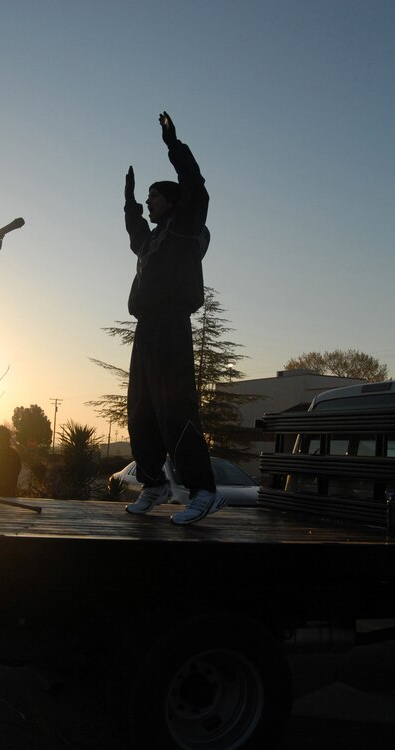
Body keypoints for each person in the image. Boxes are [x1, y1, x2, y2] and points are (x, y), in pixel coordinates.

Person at [123, 111, 226, 525]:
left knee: (175, 408)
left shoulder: (184, 229)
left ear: (170, 200)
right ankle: (155, 484)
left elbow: (196, 187)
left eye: (152, 196)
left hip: (171, 328)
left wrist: (173, 144)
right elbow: (134, 233)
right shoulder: (152, 241)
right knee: (141, 409)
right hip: (146, 328)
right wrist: (128, 199)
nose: (149, 201)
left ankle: (203, 492)